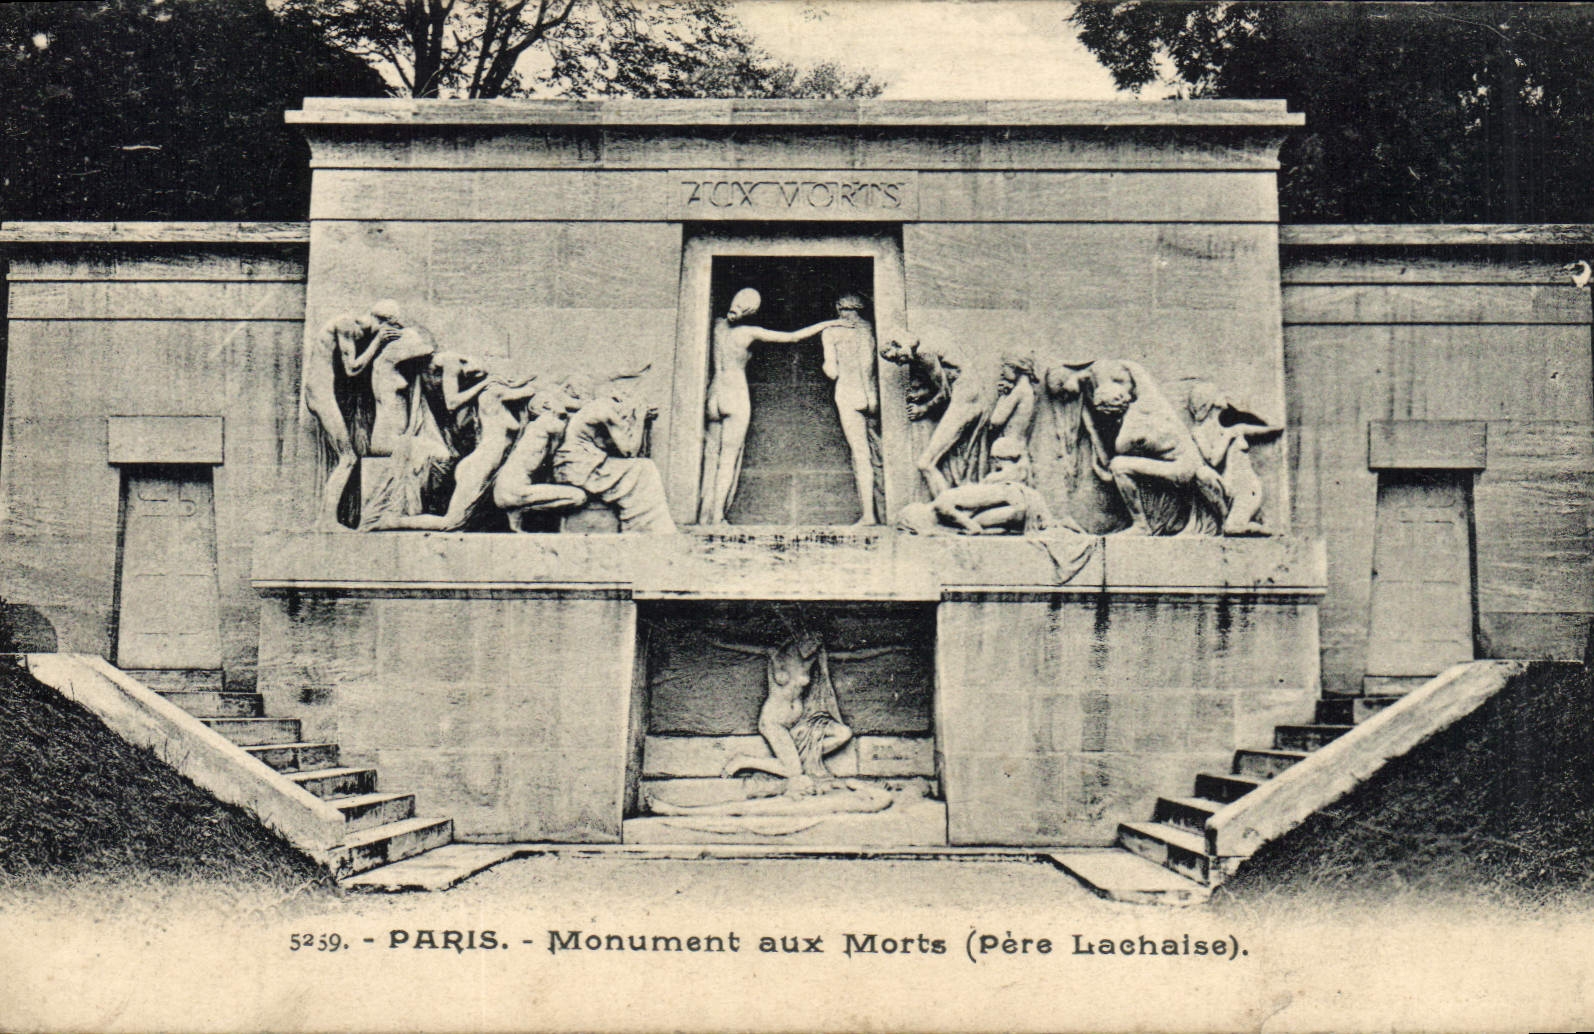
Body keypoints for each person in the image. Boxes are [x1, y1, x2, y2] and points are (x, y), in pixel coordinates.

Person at [698, 288, 844, 525]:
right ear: (752, 311)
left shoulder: (715, 326)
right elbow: (794, 337)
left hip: (714, 395)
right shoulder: (749, 332)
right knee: (727, 459)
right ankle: (716, 516)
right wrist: (830, 322)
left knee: (710, 455)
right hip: (735, 394)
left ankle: (703, 512)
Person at [370, 354, 537, 531]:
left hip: (482, 468)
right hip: (477, 468)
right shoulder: (491, 392)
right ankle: (390, 521)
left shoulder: (496, 398)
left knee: (462, 523)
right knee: (450, 523)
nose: (477, 374)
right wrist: (501, 382)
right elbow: (528, 391)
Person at [302, 300, 403, 530]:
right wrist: (378, 341)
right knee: (347, 457)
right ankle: (326, 520)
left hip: (323, 392)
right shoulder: (346, 324)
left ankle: (326, 519)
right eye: (390, 328)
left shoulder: (351, 328)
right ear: (383, 322)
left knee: (347, 456)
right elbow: (353, 368)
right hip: (321, 393)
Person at [554, 380, 677, 534]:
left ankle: (645, 525)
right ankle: (644, 527)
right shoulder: (605, 412)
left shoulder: (596, 408)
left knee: (641, 468)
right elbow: (629, 451)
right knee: (644, 468)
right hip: (581, 468)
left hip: (580, 465)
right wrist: (639, 417)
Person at [492, 383, 590, 531]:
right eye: (558, 400)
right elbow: (575, 427)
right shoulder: (547, 422)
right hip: (513, 490)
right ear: (546, 405)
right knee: (578, 497)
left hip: (505, 490)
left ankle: (518, 512)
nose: (563, 403)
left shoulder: (536, 426)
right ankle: (523, 511)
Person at [821, 293, 882, 525]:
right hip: (871, 394)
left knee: (861, 454)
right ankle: (878, 510)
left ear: (839, 308)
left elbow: (832, 371)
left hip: (848, 391)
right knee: (876, 450)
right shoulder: (869, 329)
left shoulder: (832, 332)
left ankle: (869, 514)